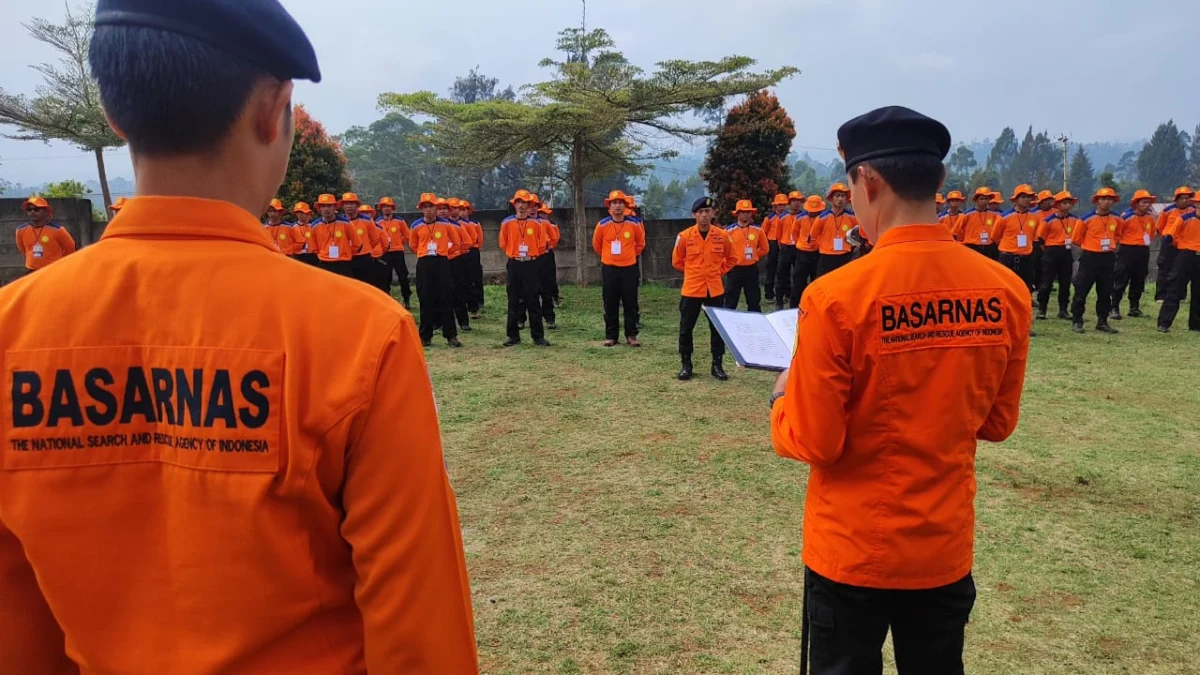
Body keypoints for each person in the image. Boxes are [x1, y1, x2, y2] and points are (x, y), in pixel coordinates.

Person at [0, 2, 479, 673]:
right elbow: (420, 638)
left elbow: (16, 627)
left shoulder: (10, 334)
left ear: (114, 115)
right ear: (273, 107)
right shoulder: (361, 337)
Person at [770, 106, 1030, 675]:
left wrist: (781, 398)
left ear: (868, 181)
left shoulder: (836, 297)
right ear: (938, 182)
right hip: (941, 545)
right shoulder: (1006, 290)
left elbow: (816, 440)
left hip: (852, 550)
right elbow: (997, 423)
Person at [674, 196, 737, 381]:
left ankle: (717, 364)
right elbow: (677, 261)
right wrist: (694, 273)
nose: (704, 215)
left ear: (713, 213)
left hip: (714, 289)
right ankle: (686, 364)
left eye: (707, 211)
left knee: (717, 328)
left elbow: (732, 258)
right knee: (686, 328)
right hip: (692, 289)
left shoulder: (722, 235)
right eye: (700, 212)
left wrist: (718, 271)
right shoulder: (684, 236)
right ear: (694, 215)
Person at [410, 193, 463, 347]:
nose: (429, 210)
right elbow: (413, 245)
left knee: (446, 298)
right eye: (425, 207)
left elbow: (456, 242)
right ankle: (425, 336)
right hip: (424, 263)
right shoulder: (416, 226)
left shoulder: (446, 225)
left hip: (442, 262)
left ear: (436, 208)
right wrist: (424, 253)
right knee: (425, 299)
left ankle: (451, 335)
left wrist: (445, 252)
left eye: (431, 207)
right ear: (421, 209)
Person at [593, 190, 644, 347]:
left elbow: (640, 244)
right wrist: (610, 257)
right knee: (610, 302)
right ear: (609, 206)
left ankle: (631, 335)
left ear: (625, 205)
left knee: (631, 303)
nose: (617, 206)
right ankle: (611, 336)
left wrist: (628, 256)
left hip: (629, 268)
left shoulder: (634, 224)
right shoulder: (602, 225)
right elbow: (597, 245)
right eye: (614, 203)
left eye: (620, 203)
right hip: (610, 269)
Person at [1069, 187, 1123, 334]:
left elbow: (1118, 236)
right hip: (1090, 257)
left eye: (1110, 199)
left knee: (1105, 291)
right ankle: (1077, 320)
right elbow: (1076, 239)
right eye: (1103, 199)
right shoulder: (1085, 219)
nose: (1107, 201)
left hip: (1108, 258)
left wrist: (1110, 247)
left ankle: (1102, 321)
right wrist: (1091, 246)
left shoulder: (1117, 219)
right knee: (1081, 289)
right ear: (1097, 201)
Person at [501, 189, 551, 347]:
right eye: (519, 202)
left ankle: (538, 336)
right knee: (513, 299)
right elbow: (503, 243)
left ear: (529, 205)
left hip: (531, 263)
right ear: (514, 204)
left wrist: (531, 255)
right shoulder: (507, 223)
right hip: (515, 263)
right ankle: (512, 335)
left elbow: (542, 244)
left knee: (533, 299)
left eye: (525, 203)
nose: (522, 206)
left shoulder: (536, 224)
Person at [1110, 189, 1158, 319]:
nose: (1147, 205)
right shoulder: (1126, 216)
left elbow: (1153, 233)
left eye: (1148, 202)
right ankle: (1114, 307)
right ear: (1136, 203)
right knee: (1121, 279)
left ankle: (1134, 308)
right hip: (1127, 250)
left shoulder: (1150, 218)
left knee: (1139, 279)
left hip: (1143, 251)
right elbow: (1116, 232)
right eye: (1143, 202)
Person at [1035, 191, 1080, 320]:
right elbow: (1041, 239)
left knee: (1065, 282)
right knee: (1046, 283)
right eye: (1064, 203)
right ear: (1058, 205)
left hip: (1066, 251)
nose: (1067, 205)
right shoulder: (1048, 220)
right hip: (1051, 251)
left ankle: (1063, 310)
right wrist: (1048, 251)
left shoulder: (1074, 219)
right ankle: (1042, 309)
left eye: (1069, 203)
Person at [1156, 207, 1200, 332]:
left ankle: (1196, 325)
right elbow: (1169, 237)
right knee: (1175, 289)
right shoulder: (1184, 219)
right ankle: (1164, 323)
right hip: (1185, 255)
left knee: (1198, 291)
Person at [993, 184, 1039, 297]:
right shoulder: (1004, 217)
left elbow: (1034, 237)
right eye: (1023, 197)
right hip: (1007, 257)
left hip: (1026, 257)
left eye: (1029, 197)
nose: (1026, 200)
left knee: (1026, 286)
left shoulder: (1035, 217)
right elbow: (995, 236)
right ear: (1016, 199)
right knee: (1005, 285)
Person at [724, 199, 770, 312]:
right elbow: (722, 251)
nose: (746, 214)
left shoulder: (758, 230)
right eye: (743, 212)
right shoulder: (728, 231)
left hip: (751, 269)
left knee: (754, 298)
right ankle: (728, 322)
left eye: (748, 212)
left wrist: (754, 256)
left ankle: (756, 322)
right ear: (737, 214)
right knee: (731, 298)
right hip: (734, 269)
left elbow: (765, 248)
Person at [14, 196, 77, 275]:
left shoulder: (58, 230)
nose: (32, 212)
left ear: (45, 211)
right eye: (29, 209)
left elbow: (70, 248)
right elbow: (23, 249)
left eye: (36, 209)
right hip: (32, 271)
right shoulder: (21, 230)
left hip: (53, 270)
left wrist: (60, 263)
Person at [1155, 186, 1194, 303]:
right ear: (1176, 199)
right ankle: (1161, 296)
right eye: (1182, 198)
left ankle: (1180, 295)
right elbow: (1159, 227)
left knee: (1182, 271)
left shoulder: (1193, 210)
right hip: (1169, 245)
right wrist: (1168, 238)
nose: (1184, 201)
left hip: (1185, 245)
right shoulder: (1167, 211)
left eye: (1187, 198)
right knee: (1164, 269)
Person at [811, 183, 859, 276]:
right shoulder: (822, 218)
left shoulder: (852, 217)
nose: (840, 199)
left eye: (843, 196)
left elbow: (860, 234)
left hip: (845, 256)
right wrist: (824, 246)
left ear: (846, 199)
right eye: (837, 196)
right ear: (831, 199)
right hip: (826, 257)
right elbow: (812, 237)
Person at [445, 198, 474, 332]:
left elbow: (468, 242)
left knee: (459, 290)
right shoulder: (429, 226)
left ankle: (463, 321)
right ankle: (439, 322)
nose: (442, 212)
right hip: (439, 261)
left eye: (444, 209)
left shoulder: (457, 226)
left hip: (456, 261)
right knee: (440, 292)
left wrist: (456, 251)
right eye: (439, 209)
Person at [790, 195, 825, 308]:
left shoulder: (823, 218)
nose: (813, 213)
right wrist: (801, 244)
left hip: (818, 253)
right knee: (798, 281)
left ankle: (815, 305)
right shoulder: (800, 218)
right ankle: (795, 306)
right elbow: (794, 233)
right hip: (802, 253)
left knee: (817, 281)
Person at [376, 196, 412, 307]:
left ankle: (406, 299)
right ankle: (386, 299)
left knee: (403, 277)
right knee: (385, 277)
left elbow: (407, 235)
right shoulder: (377, 222)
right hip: (384, 253)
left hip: (398, 252)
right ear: (381, 209)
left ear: (393, 208)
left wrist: (398, 243)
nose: (387, 209)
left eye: (389, 206)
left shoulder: (400, 221)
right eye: (384, 207)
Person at [312, 193, 355, 277]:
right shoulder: (315, 226)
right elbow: (314, 248)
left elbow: (357, 243)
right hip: (324, 264)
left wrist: (345, 252)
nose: (326, 209)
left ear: (334, 207)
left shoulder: (346, 223)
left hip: (343, 263)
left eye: (329, 206)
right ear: (319, 208)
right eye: (323, 206)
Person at [774, 191, 804, 310]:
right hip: (786, 247)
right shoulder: (782, 217)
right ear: (789, 203)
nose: (796, 203)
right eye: (794, 201)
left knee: (799, 275)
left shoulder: (804, 216)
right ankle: (779, 302)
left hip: (799, 248)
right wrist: (783, 245)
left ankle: (797, 301)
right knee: (781, 274)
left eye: (799, 201)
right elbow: (778, 234)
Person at [953, 188, 998, 258]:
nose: (984, 201)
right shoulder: (966, 215)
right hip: (972, 246)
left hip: (988, 248)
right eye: (982, 199)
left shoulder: (994, 215)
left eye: (986, 199)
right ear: (976, 200)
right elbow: (954, 232)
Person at [537, 204, 560, 328]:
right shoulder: (530, 223)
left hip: (547, 255)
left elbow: (555, 238)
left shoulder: (551, 224)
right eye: (541, 213)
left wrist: (548, 247)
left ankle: (550, 314)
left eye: (545, 213)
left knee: (549, 281)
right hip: (533, 256)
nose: (543, 215)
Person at [763, 194, 788, 301]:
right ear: (775, 206)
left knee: (785, 268)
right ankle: (769, 294)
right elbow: (762, 233)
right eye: (779, 205)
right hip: (772, 243)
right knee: (771, 268)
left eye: (783, 205)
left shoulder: (788, 216)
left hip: (784, 242)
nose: (781, 207)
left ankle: (787, 293)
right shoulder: (769, 218)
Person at [463, 200, 486, 314]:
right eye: (460, 209)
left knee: (476, 276)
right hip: (460, 252)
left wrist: (474, 248)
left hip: (473, 251)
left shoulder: (475, 223)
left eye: (464, 210)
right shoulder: (454, 224)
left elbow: (480, 240)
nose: (462, 212)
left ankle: (479, 300)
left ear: (468, 211)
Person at [290, 201, 319, 266]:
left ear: (308, 213)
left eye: (302, 212)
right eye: (298, 212)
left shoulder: (314, 226)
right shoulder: (292, 227)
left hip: (313, 256)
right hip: (298, 256)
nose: (300, 214)